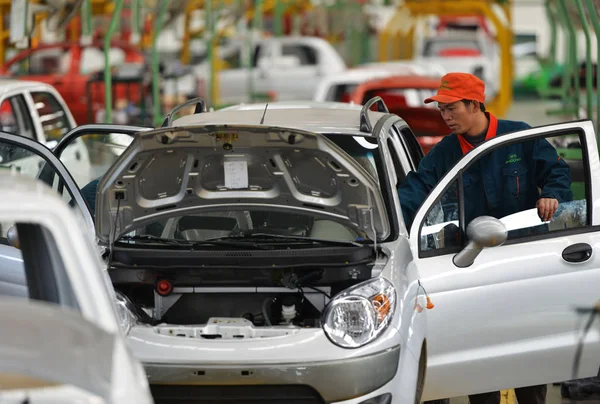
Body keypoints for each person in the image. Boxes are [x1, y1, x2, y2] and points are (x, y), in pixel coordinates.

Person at [399, 72, 573, 404]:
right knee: (481, 348)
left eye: (452, 108)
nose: (446, 116)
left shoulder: (518, 136)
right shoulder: (446, 152)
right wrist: (389, 220)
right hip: (475, 264)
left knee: (528, 350)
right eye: (442, 110)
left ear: (475, 104)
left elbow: (558, 171)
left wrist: (551, 194)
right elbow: (416, 190)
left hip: (525, 262)